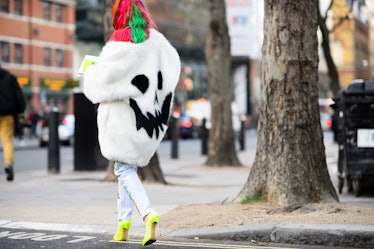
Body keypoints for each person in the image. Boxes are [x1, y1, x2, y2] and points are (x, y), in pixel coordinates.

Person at [82, 0, 180, 246]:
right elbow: (172, 68)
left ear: (120, 14)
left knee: (123, 170)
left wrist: (91, 72)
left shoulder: (119, 40)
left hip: (120, 117)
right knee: (126, 169)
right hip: (143, 119)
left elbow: (103, 84)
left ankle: (148, 213)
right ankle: (123, 226)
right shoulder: (156, 41)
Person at [0, 64, 26, 181]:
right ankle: (8, 163)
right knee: (7, 140)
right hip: (7, 114)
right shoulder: (10, 78)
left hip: (7, 113)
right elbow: (19, 95)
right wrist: (20, 110)